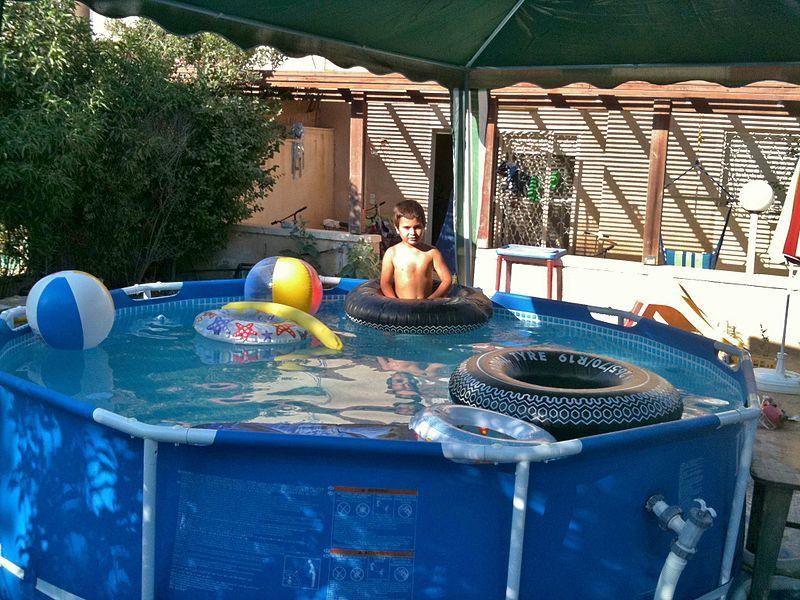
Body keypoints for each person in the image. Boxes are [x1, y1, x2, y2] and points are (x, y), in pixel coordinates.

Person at [380, 200, 452, 299]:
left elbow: (447, 280)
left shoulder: (431, 253)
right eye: (406, 227)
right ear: (397, 228)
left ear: (424, 227)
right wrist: (394, 302)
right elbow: (385, 283)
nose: (412, 232)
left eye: (417, 227)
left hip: (425, 308)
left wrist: (432, 299)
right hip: (401, 308)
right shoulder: (392, 253)